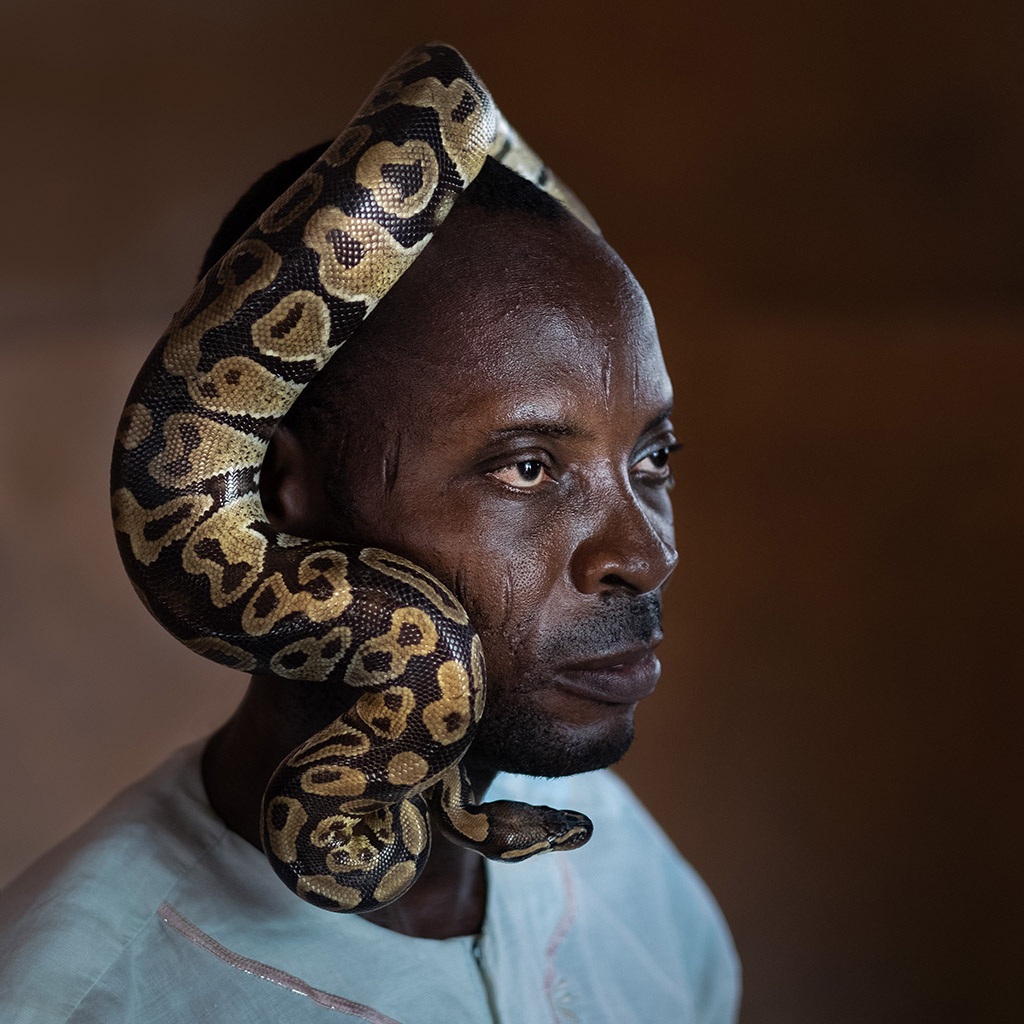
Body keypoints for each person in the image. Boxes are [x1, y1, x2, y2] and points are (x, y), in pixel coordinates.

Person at [0, 48, 740, 1024]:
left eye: (652, 459)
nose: (644, 555)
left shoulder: (627, 861)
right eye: (525, 467)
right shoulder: (76, 992)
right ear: (276, 492)